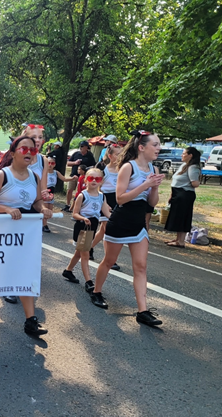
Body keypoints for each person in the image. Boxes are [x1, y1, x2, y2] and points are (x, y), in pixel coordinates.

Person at [0, 135, 52, 336]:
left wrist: (43, 209)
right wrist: (6, 209)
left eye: (33, 150)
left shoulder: (34, 177)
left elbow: (36, 202)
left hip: (24, 234)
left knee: (25, 273)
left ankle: (30, 320)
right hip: (2, 232)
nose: (29, 153)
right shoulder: (3, 175)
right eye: (24, 149)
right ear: (13, 153)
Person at [90, 132, 165, 327]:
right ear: (142, 147)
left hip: (139, 223)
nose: (158, 148)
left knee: (140, 266)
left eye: (159, 145)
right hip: (121, 220)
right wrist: (146, 184)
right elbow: (121, 198)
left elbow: (152, 203)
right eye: (155, 144)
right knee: (108, 261)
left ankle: (143, 311)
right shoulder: (127, 167)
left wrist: (154, 187)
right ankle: (96, 291)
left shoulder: (153, 168)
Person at [61, 168, 111, 292]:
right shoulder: (82, 196)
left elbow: (106, 213)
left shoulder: (102, 196)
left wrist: (116, 219)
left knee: (80, 252)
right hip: (82, 227)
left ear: (101, 181)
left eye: (97, 179)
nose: (94, 181)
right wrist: (83, 218)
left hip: (92, 227)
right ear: (85, 180)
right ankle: (89, 282)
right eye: (91, 178)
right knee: (85, 254)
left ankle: (68, 271)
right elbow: (74, 214)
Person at [91, 143, 123, 269]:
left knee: (104, 230)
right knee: (107, 228)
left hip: (117, 199)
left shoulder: (123, 170)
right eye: (117, 154)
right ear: (110, 156)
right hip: (105, 199)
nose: (120, 157)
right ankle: (110, 258)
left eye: (121, 154)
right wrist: (103, 202)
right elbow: (98, 187)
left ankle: (88, 247)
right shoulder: (103, 170)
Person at [164, 147, 202, 248]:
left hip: (185, 194)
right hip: (178, 194)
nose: (182, 155)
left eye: (184, 153)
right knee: (177, 217)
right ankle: (178, 239)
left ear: (190, 155)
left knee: (182, 217)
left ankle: (181, 241)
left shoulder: (192, 167)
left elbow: (195, 183)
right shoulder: (185, 165)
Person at [41, 156, 75, 232]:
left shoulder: (56, 173)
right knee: (45, 210)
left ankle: (43, 223)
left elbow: (64, 179)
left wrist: (72, 179)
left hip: (52, 193)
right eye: (48, 163)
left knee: (50, 211)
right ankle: (44, 225)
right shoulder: (43, 172)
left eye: (52, 163)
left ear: (55, 164)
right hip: (45, 192)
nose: (50, 165)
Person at [65, 141, 96, 210]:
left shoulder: (90, 155)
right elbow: (68, 163)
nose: (81, 147)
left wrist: (87, 169)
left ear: (86, 147)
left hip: (84, 177)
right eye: (80, 146)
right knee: (70, 190)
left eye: (82, 146)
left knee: (80, 192)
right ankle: (67, 205)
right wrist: (75, 163)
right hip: (74, 175)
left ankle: (78, 206)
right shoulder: (76, 154)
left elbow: (94, 165)